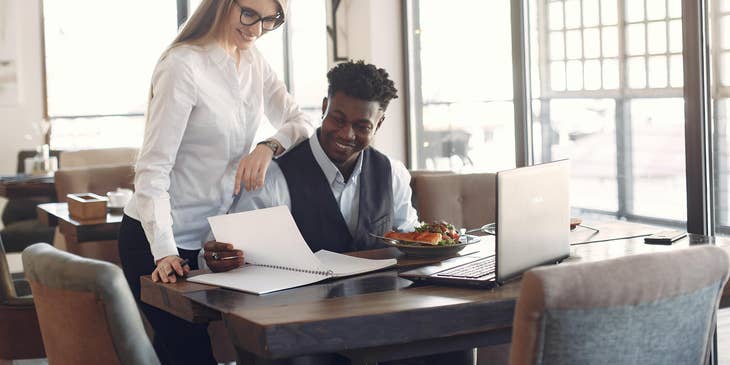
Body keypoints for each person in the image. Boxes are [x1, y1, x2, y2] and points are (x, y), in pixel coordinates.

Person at [203, 60, 473, 365]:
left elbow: (408, 243)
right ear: (323, 108)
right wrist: (218, 256)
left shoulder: (392, 174)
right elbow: (221, 252)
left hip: (379, 320)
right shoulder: (275, 177)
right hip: (301, 326)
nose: (346, 134)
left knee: (455, 344)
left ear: (379, 124)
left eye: (362, 126)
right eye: (338, 119)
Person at [117, 1, 314, 364]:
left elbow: (300, 121)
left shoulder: (253, 62)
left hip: (211, 242)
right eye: (250, 14)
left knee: (192, 348)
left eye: (271, 20)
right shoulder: (183, 65)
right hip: (156, 241)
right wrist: (165, 251)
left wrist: (267, 147)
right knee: (191, 351)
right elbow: (152, 170)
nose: (257, 29)